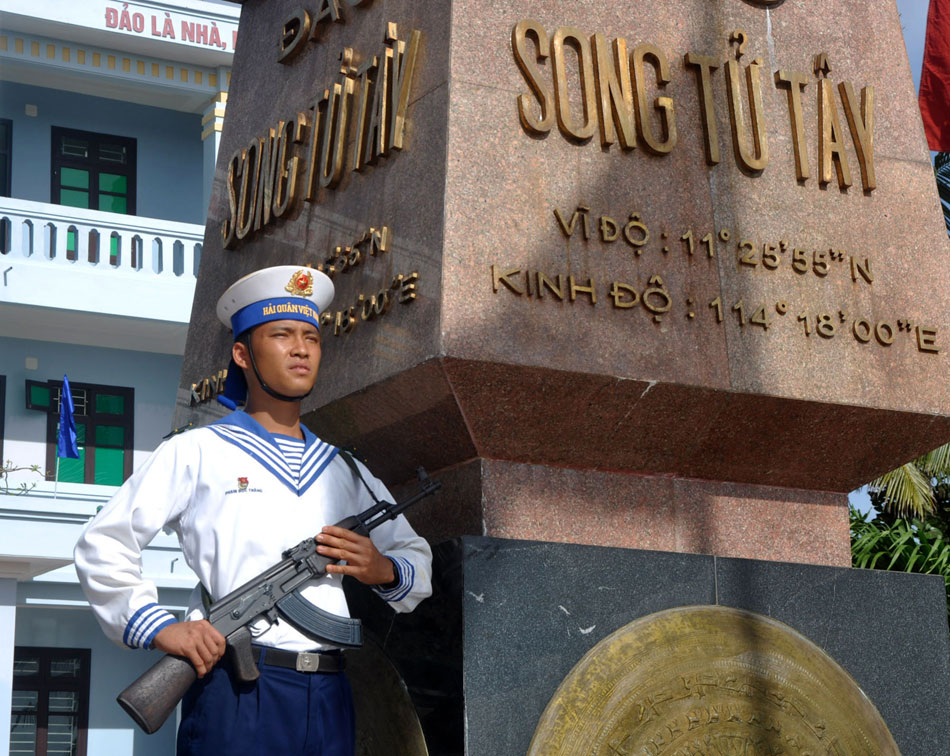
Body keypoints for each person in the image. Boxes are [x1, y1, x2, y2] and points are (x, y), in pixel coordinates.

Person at [74, 265, 433, 756]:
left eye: (311, 336)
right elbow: (104, 543)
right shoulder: (197, 450)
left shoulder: (345, 469)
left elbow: (415, 557)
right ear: (242, 354)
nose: (302, 348)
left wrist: (383, 568)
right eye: (282, 335)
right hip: (240, 692)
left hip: (331, 695)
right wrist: (158, 625)